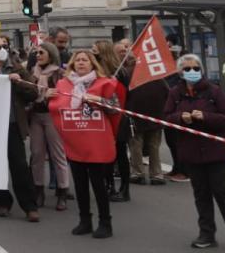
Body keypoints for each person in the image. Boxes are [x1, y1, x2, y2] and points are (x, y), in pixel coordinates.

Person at [165, 54, 225, 251]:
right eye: (187, 69)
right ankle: (206, 234)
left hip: (216, 152)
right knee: (201, 194)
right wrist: (180, 118)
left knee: (222, 193)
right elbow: (167, 118)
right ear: (180, 72)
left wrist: (206, 117)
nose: (192, 72)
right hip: (191, 153)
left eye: (195, 68)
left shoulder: (213, 91)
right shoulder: (174, 93)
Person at [47, 49, 118, 238]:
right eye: (77, 60)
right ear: (72, 64)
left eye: (85, 60)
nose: (80, 63)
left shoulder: (104, 83)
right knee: (79, 184)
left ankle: (105, 223)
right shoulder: (63, 84)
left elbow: (116, 109)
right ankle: (84, 220)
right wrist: (48, 96)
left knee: (98, 184)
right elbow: (56, 108)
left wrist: (101, 100)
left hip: (96, 144)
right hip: (75, 142)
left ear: (92, 64)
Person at [0, 34, 41, 222]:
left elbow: (33, 92)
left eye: (4, 45)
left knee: (19, 165)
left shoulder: (18, 68)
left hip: (13, 125)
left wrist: (19, 83)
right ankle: (2, 202)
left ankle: (29, 206)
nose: (2, 49)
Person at [28, 42, 70, 211]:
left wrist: (54, 95)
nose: (38, 55)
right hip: (36, 115)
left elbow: (67, 94)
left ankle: (62, 192)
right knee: (37, 154)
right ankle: (39, 190)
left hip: (53, 116)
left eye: (42, 52)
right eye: (37, 53)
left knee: (58, 154)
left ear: (51, 54)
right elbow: (27, 92)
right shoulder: (32, 73)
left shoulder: (59, 74)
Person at [125, 45, 169, 187]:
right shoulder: (155, 73)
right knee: (154, 146)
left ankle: (138, 173)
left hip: (135, 114)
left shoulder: (127, 73)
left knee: (136, 145)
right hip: (155, 114)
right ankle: (156, 174)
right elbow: (166, 92)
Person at [95, 39, 131, 203]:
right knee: (107, 153)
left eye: (95, 50)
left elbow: (124, 93)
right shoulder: (98, 71)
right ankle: (109, 185)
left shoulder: (120, 72)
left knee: (120, 153)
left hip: (118, 115)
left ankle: (124, 188)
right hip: (104, 115)